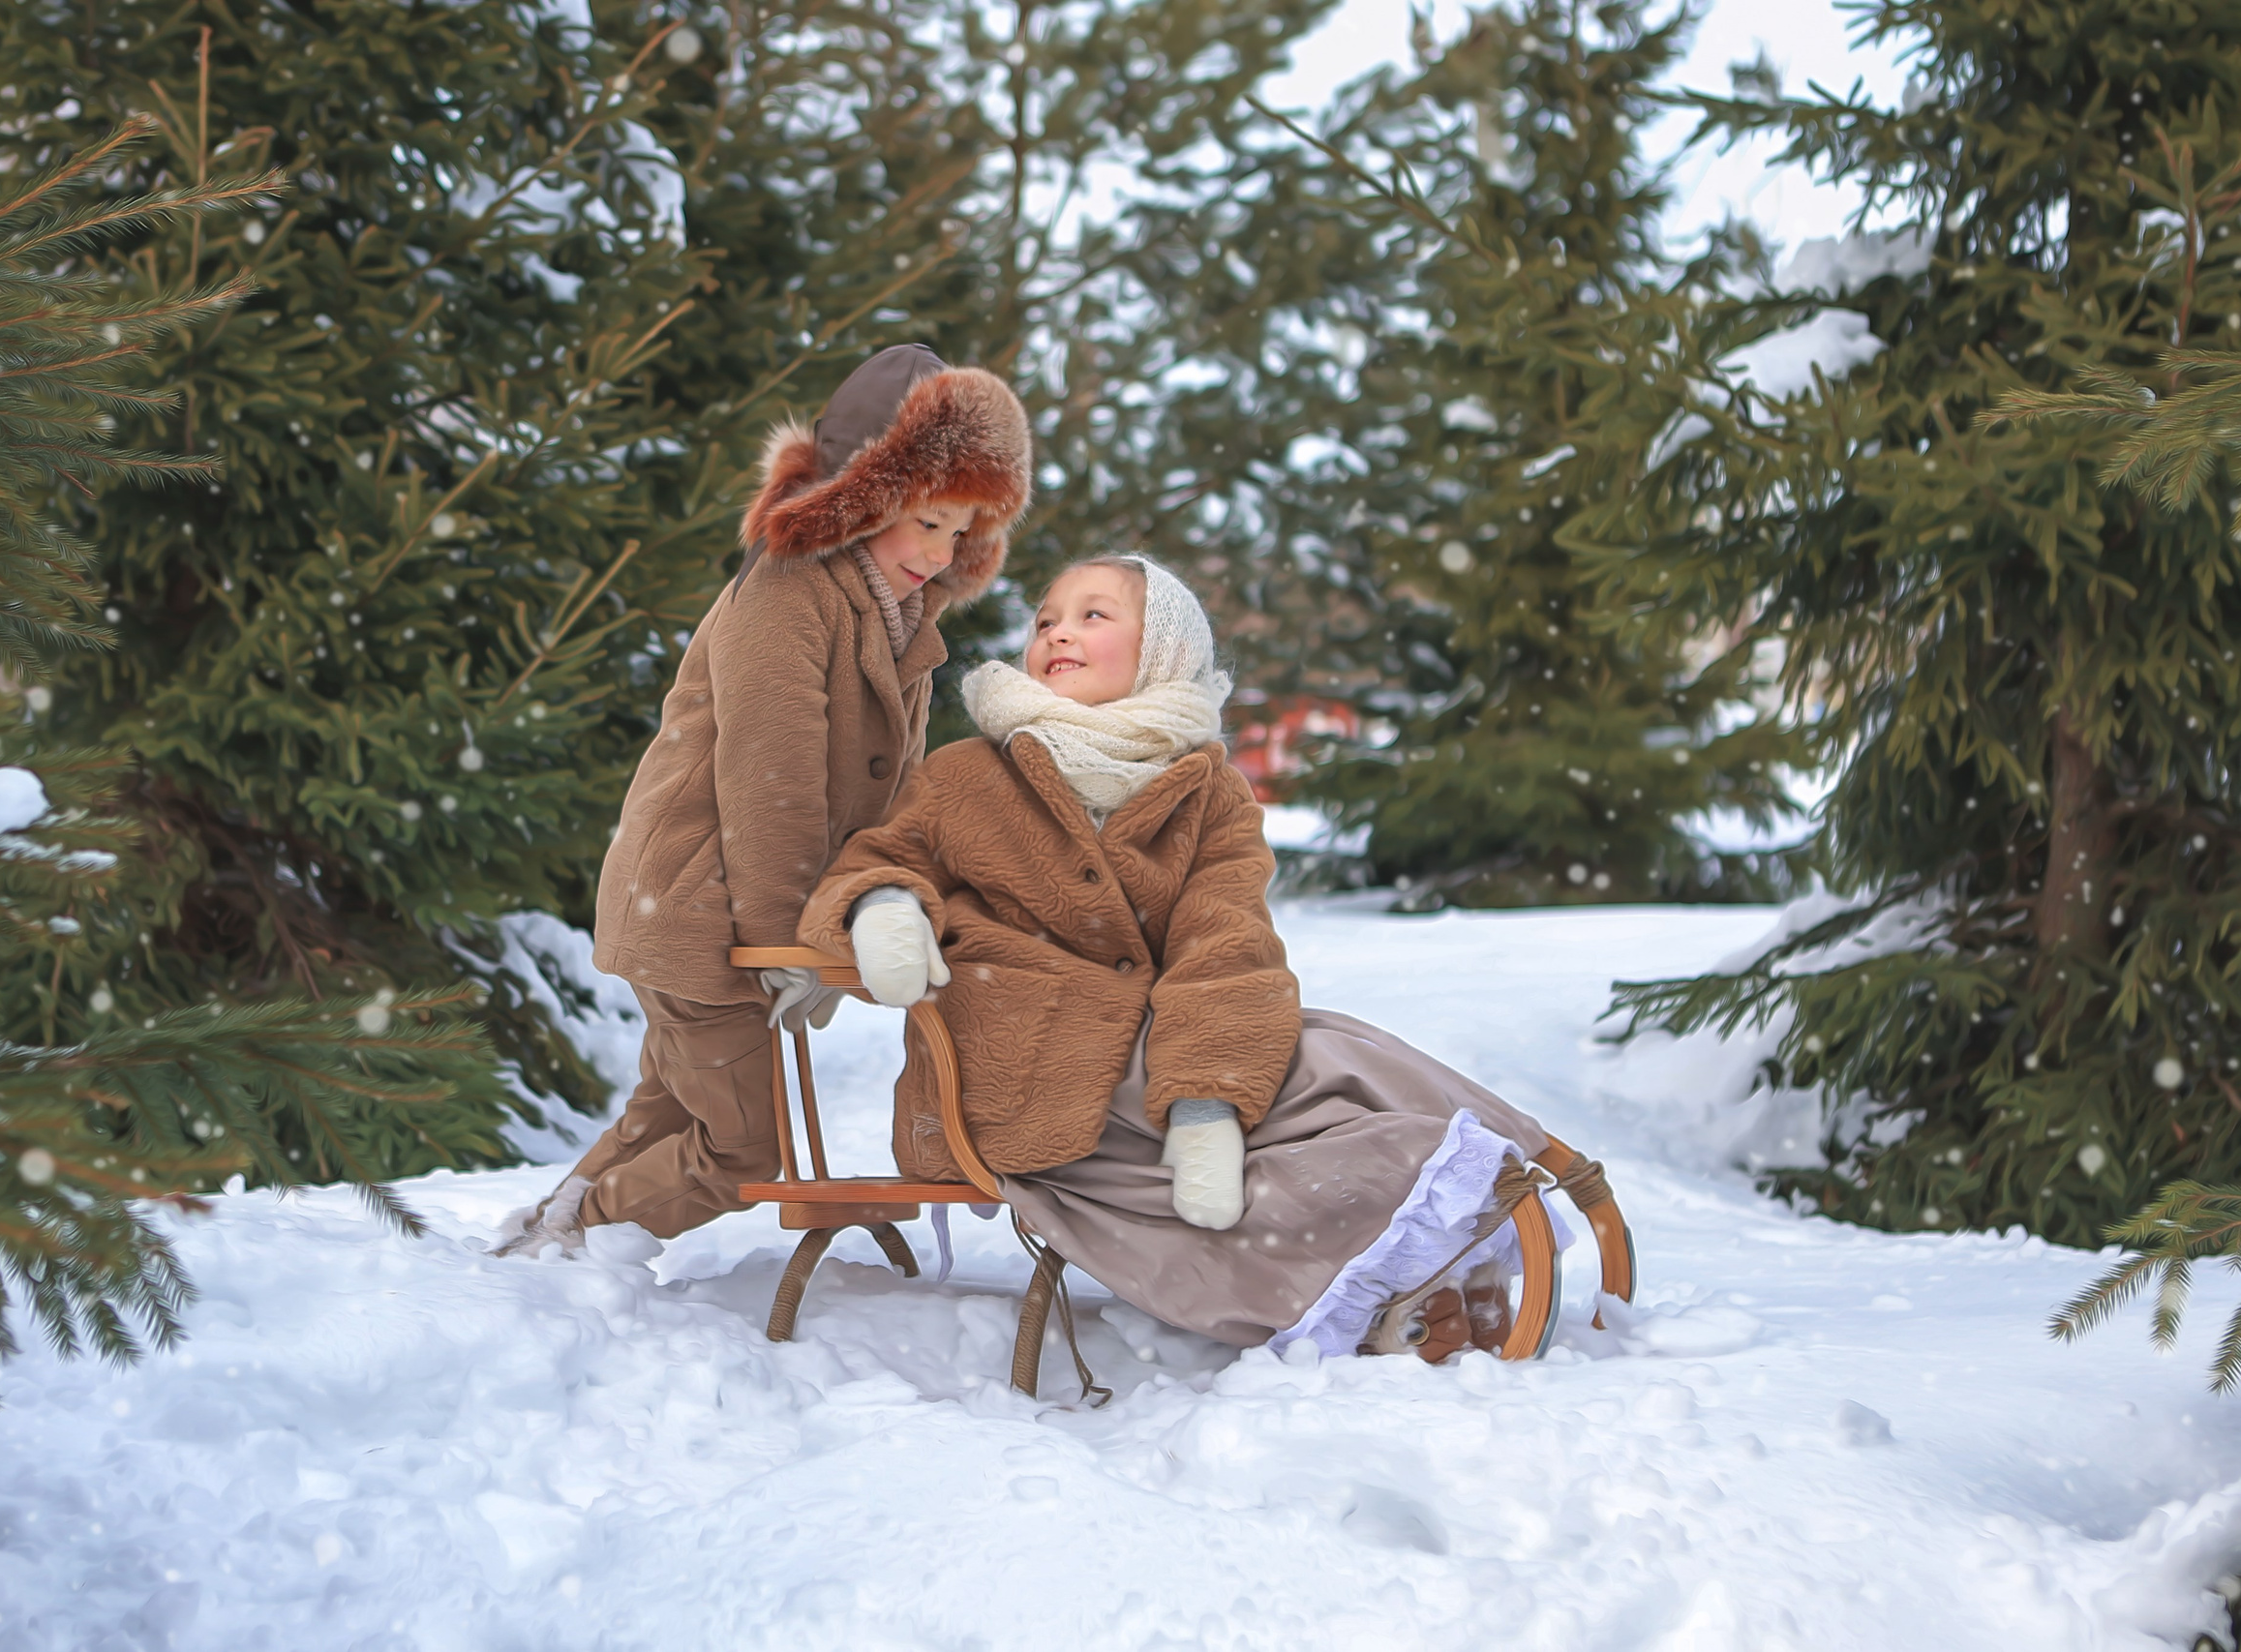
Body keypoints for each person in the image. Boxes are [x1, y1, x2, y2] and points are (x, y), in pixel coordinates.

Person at [795, 555, 1565, 1358]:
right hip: (1015, 1062)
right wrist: (881, 905)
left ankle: (1436, 1245)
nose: (1058, 628)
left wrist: (1206, 1102)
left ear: (1162, 649)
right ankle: (1426, 1228)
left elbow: (1225, 941)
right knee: (1321, 1070)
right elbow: (878, 857)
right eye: (1046, 617)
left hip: (1162, 1053)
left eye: (1094, 615)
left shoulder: (1207, 791)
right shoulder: (967, 777)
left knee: (1323, 1054)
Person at [500, 345, 1032, 1253]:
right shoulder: (790, 596)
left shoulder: (898, 619)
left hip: (731, 908)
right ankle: (587, 1227)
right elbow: (770, 780)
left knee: (667, 1104)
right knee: (744, 1146)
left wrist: (867, 900)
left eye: (961, 532)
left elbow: (888, 795)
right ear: (866, 495)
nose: (940, 552)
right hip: (698, 906)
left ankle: (543, 1240)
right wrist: (787, 936)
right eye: (927, 520)